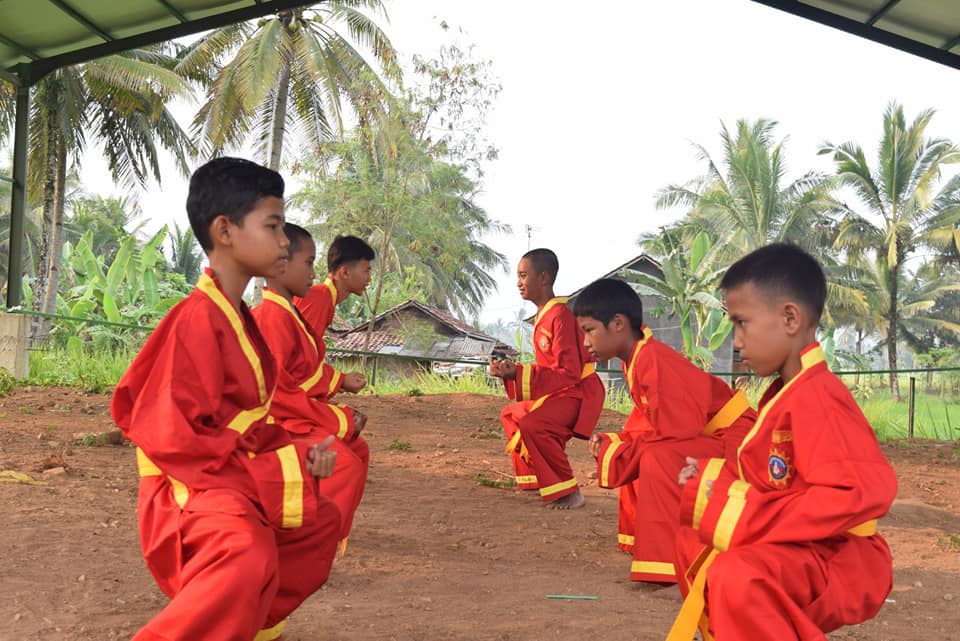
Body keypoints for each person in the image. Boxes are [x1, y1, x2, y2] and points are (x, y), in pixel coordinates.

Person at [111, 157, 341, 641]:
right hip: (184, 487)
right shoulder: (196, 320)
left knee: (319, 525)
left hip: (221, 471)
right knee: (244, 552)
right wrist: (268, 470)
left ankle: (245, 625)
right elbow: (171, 437)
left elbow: (249, 421)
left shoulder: (239, 318)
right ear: (225, 230)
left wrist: (298, 454)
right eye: (273, 226)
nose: (284, 241)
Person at [667, 243, 896, 641]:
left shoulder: (818, 397)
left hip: (842, 555)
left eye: (742, 323)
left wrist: (746, 514)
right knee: (696, 537)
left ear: (790, 318)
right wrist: (710, 477)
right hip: (808, 546)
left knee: (738, 577)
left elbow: (856, 491)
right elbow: (773, 478)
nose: (735, 340)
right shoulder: (786, 392)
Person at [572, 278, 755, 584]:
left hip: (738, 441)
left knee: (655, 456)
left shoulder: (652, 359)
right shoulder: (637, 359)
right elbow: (651, 426)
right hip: (714, 436)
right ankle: (639, 543)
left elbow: (679, 434)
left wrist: (626, 451)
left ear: (618, 323)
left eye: (589, 330)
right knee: (632, 448)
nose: (586, 342)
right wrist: (618, 445)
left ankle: (668, 563)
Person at [253, 223, 368, 546]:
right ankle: (308, 543)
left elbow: (303, 368)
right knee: (345, 463)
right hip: (273, 420)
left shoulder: (291, 311)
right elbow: (281, 389)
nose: (314, 275)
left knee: (356, 450)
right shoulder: (303, 306)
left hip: (290, 407)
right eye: (308, 264)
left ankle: (326, 537)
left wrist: (339, 387)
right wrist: (338, 416)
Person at [488, 248, 605, 509]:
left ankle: (569, 490)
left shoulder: (560, 316)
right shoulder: (545, 315)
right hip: (561, 391)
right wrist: (510, 373)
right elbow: (551, 370)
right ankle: (535, 481)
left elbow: (568, 373)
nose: (518, 283)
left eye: (523, 276)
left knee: (533, 424)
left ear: (543, 278)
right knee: (511, 415)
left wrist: (517, 373)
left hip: (577, 393)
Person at [294, 234, 374, 446]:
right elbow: (298, 361)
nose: (370, 279)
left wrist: (341, 379)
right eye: (366, 270)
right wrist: (341, 380)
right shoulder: (318, 299)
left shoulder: (324, 300)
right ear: (344, 272)